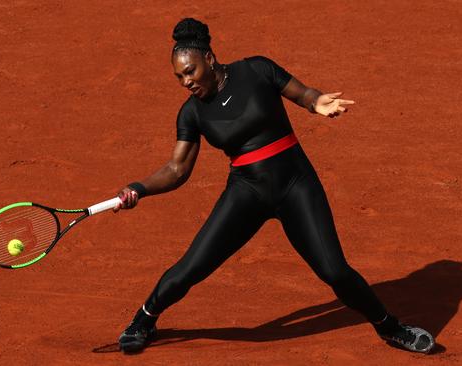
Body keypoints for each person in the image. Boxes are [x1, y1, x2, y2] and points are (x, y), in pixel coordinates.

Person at [113, 18, 435, 354]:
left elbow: (302, 93)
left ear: (209, 58)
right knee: (190, 268)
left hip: (296, 185)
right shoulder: (192, 113)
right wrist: (139, 187)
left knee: (336, 272)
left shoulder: (256, 70)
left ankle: (390, 327)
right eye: (179, 77)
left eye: (190, 71)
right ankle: (144, 319)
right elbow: (177, 169)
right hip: (246, 193)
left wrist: (316, 102)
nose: (186, 82)